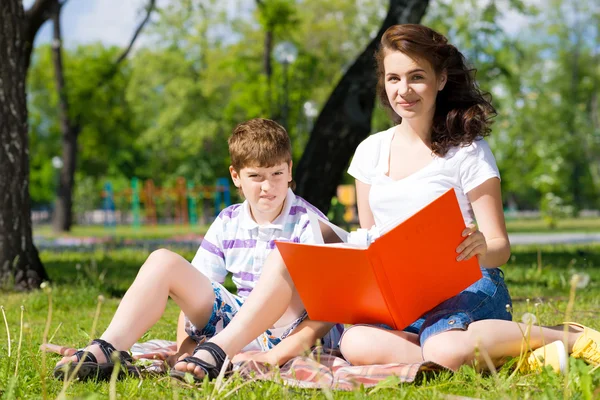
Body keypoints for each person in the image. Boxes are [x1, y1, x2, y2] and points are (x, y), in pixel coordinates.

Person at [336, 23, 600, 372]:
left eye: (416, 77)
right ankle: (484, 351)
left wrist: (478, 247)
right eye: (393, 78)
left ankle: (565, 337)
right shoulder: (370, 152)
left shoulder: (467, 151)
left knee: (443, 349)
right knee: (353, 343)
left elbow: (499, 248)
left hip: (467, 285)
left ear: (441, 79)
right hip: (405, 298)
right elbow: (369, 241)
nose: (404, 90)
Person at [54, 118, 343, 381]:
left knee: (283, 255)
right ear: (236, 176)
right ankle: (108, 348)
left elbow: (328, 311)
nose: (268, 186)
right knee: (162, 260)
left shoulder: (310, 224)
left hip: (290, 330)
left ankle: (217, 353)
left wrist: (275, 357)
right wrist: (183, 349)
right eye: (256, 176)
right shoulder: (228, 220)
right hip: (239, 323)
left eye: (277, 173)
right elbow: (196, 288)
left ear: (290, 170)